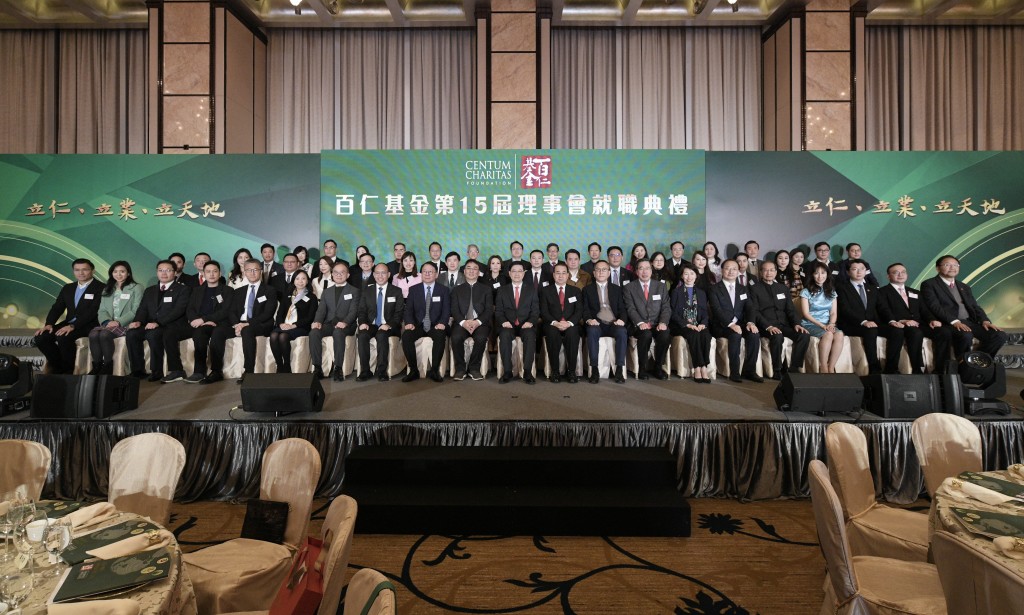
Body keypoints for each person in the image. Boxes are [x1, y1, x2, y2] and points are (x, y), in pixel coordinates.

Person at [921, 255, 1007, 363]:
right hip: (948, 323)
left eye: (955, 265)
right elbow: (934, 306)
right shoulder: (929, 284)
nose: (952, 268)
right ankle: (964, 366)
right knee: (965, 335)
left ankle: (976, 362)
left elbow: (975, 306)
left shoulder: (964, 286)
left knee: (999, 335)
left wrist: (985, 321)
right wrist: (954, 321)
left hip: (969, 322)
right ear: (938, 268)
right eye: (947, 265)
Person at [34, 258, 104, 374]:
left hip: (90, 324)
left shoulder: (101, 288)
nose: (81, 273)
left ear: (93, 271)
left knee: (64, 337)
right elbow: (57, 307)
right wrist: (49, 324)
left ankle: (68, 370)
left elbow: (93, 311)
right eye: (77, 270)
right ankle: (57, 366)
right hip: (69, 323)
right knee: (41, 337)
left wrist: (73, 326)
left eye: (85, 269)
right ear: (73, 271)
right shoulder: (68, 288)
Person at [125, 260, 190, 382]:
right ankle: (137, 370)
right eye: (160, 270)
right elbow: (143, 309)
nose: (164, 273)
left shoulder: (183, 289)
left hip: (170, 325)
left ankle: (157, 370)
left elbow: (178, 310)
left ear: (175, 272)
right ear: (157, 272)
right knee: (132, 333)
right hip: (150, 324)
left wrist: (158, 322)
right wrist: (138, 321)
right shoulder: (150, 290)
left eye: (168, 270)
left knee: (153, 334)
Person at [876, 262, 947, 375]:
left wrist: (931, 320)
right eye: (896, 272)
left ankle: (940, 370)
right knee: (915, 333)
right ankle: (917, 369)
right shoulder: (882, 292)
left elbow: (924, 310)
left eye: (903, 272)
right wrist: (901, 320)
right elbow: (884, 310)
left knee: (943, 332)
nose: (900, 275)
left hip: (918, 324)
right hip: (899, 324)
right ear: (888, 276)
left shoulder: (914, 292)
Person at [219, 258, 279, 383]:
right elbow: (232, 311)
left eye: (255, 270)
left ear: (261, 271)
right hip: (239, 324)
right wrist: (236, 324)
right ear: (244, 272)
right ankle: (216, 370)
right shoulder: (238, 291)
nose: (252, 273)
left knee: (247, 330)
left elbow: (268, 313)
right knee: (218, 331)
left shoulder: (270, 290)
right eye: (249, 270)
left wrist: (246, 324)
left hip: (261, 324)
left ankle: (249, 371)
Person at [749, 261, 810, 378]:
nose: (769, 273)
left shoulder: (783, 288)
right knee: (777, 336)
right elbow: (755, 311)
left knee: (804, 335)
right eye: (766, 270)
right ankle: (777, 370)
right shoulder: (754, 288)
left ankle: (794, 367)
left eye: (772, 270)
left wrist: (796, 324)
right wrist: (768, 326)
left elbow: (790, 310)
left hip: (783, 324)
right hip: (765, 325)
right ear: (760, 272)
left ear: (776, 272)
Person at [708, 259, 762, 383]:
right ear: (722, 270)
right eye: (727, 268)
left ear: (738, 272)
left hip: (740, 323)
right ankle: (734, 372)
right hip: (722, 325)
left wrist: (751, 322)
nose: (731, 271)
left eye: (734, 269)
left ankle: (750, 371)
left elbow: (750, 307)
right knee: (735, 335)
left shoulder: (743, 289)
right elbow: (716, 310)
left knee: (754, 334)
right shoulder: (714, 289)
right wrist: (731, 324)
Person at [86, 261, 142, 375]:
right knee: (93, 334)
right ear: (111, 273)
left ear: (128, 273)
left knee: (104, 334)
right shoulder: (107, 289)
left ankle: (107, 365)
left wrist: (118, 322)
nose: (118, 274)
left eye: (122, 271)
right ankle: (97, 366)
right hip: (108, 324)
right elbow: (102, 310)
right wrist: (107, 321)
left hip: (126, 324)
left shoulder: (137, 287)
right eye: (115, 271)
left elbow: (136, 309)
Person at [182, 260, 234, 384]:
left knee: (217, 334)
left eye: (215, 271)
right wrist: (197, 321)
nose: (211, 274)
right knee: (199, 334)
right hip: (202, 325)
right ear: (203, 274)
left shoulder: (227, 290)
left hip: (221, 323)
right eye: (208, 272)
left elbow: (226, 311)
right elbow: (190, 309)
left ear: (220, 273)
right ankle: (199, 372)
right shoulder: (197, 290)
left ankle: (216, 371)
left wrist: (205, 319)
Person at [309, 262, 361, 380]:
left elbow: (354, 311)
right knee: (314, 332)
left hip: (347, 325)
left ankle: (338, 368)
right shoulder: (327, 291)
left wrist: (345, 322)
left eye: (342, 272)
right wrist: (317, 321)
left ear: (348, 275)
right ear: (332, 274)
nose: (338, 275)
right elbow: (321, 310)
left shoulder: (354, 291)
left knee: (338, 332)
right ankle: (317, 368)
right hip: (329, 324)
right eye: (336, 272)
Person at [623, 258, 672, 381]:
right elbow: (630, 308)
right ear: (636, 271)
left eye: (647, 268)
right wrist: (640, 322)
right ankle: (642, 368)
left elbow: (666, 307)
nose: (644, 271)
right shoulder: (629, 287)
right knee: (646, 334)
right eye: (641, 268)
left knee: (665, 334)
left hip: (657, 323)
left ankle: (658, 367)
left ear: (651, 270)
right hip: (638, 325)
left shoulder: (660, 286)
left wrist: (663, 322)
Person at [401, 263, 450, 383]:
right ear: (421, 274)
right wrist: (409, 322)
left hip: (436, 325)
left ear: (436, 274)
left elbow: (446, 310)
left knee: (440, 336)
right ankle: (413, 370)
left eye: (430, 272)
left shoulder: (443, 290)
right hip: (418, 325)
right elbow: (408, 310)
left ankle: (434, 370)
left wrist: (442, 323)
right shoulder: (414, 289)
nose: (427, 274)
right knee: (406, 336)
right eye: (424, 271)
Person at [356, 263, 405, 382]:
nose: (380, 276)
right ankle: (365, 371)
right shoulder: (367, 291)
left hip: (390, 326)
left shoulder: (396, 291)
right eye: (377, 273)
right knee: (362, 335)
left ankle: (382, 371)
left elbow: (399, 313)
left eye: (383, 273)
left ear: (388, 274)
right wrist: (362, 323)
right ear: (373, 275)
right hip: (372, 325)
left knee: (381, 335)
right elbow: (361, 311)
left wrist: (388, 325)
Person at [582, 260, 627, 383]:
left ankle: (619, 369)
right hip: (597, 323)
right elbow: (585, 309)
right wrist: (589, 320)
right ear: (594, 273)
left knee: (622, 332)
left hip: (613, 323)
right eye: (598, 269)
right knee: (591, 331)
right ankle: (594, 369)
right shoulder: (587, 290)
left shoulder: (617, 289)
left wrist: (622, 320)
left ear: (609, 273)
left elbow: (623, 309)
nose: (601, 272)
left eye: (604, 270)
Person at [836, 259, 883, 374]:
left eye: (862, 269)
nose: (859, 272)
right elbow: (845, 309)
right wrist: (863, 321)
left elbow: (881, 308)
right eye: (854, 269)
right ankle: (874, 368)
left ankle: (892, 367)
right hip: (851, 325)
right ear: (848, 272)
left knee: (896, 331)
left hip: (872, 323)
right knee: (871, 330)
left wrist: (892, 321)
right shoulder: (841, 288)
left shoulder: (872, 288)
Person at [495, 262, 539, 384]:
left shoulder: (531, 290)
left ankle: (527, 372)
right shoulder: (502, 290)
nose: (517, 274)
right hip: (508, 324)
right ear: (509, 273)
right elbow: (498, 311)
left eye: (520, 271)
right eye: (514, 271)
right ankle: (507, 371)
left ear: (524, 273)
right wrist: (503, 322)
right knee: (504, 335)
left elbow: (535, 311)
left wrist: (530, 322)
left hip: (526, 324)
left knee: (530, 335)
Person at [539, 264, 583, 383]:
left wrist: (569, 323)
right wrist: (555, 323)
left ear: (568, 275)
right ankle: (555, 371)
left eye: (564, 273)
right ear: (553, 275)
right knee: (552, 334)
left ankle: (572, 371)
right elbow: (544, 311)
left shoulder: (575, 291)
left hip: (570, 324)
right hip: (552, 323)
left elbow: (579, 311)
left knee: (572, 334)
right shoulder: (546, 291)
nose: (561, 276)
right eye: (558, 273)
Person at [450, 259, 493, 381]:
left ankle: (474, 368)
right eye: (469, 268)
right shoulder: (456, 290)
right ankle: (460, 369)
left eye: (475, 269)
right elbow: (454, 309)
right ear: (464, 271)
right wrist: (463, 322)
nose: (471, 271)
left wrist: (477, 322)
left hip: (480, 323)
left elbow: (489, 310)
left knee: (481, 338)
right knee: (456, 337)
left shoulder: (486, 289)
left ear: (478, 272)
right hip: (462, 322)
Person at [799, 262, 845, 374]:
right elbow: (806, 314)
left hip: (827, 324)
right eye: (816, 273)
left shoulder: (832, 292)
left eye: (823, 273)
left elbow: (833, 312)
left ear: (827, 274)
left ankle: (831, 366)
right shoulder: (806, 291)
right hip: (810, 323)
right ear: (812, 275)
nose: (820, 276)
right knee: (828, 334)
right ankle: (823, 366)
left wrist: (831, 324)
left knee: (839, 334)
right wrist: (822, 326)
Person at [269, 270, 317, 374]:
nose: (300, 281)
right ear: (293, 281)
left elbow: (310, 317)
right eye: (297, 279)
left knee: (283, 336)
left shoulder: (311, 297)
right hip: (285, 325)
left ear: (307, 281)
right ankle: (279, 365)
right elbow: (280, 314)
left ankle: (287, 365)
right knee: (273, 335)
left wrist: (294, 326)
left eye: (303, 279)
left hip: (300, 327)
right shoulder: (287, 295)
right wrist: (281, 324)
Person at [670, 266, 712, 383]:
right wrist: (687, 324)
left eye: (692, 273)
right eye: (686, 274)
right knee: (694, 335)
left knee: (706, 335)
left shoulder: (701, 293)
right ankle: (698, 367)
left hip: (698, 324)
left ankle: (704, 367)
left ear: (696, 276)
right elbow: (673, 313)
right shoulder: (676, 292)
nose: (689, 277)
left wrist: (703, 323)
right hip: (681, 325)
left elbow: (705, 312)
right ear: (682, 276)